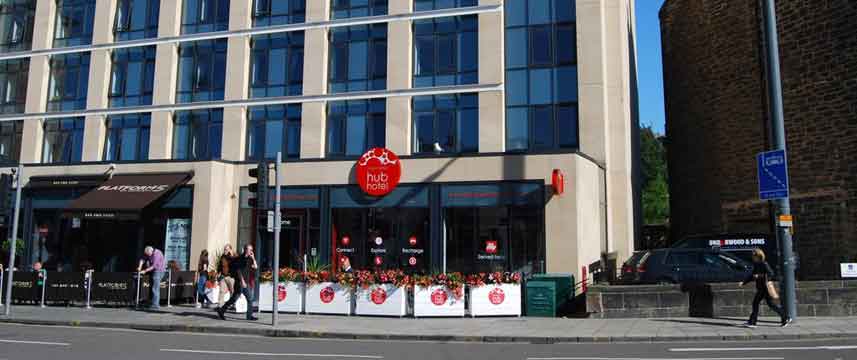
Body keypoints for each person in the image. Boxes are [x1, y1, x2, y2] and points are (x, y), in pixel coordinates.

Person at [741, 248, 792, 328]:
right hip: (761, 288)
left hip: (765, 288)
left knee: (759, 303)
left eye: (753, 256)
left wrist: (759, 276)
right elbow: (752, 276)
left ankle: (753, 322)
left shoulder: (764, 264)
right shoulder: (756, 264)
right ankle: (786, 318)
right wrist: (744, 282)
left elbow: (771, 274)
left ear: (758, 256)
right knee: (767, 304)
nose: (752, 257)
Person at [217, 244, 258, 321]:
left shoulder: (250, 259)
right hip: (240, 282)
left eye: (252, 250)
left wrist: (253, 258)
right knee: (236, 299)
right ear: (245, 250)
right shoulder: (240, 258)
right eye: (249, 249)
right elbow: (238, 271)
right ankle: (222, 311)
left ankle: (249, 316)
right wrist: (242, 281)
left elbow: (255, 267)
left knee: (247, 299)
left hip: (246, 282)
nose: (251, 251)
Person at [137, 246, 166, 311]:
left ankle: (155, 305)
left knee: (155, 288)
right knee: (153, 288)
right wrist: (139, 267)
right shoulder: (149, 252)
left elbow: (154, 266)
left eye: (149, 255)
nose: (148, 256)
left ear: (151, 251)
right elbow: (142, 259)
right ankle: (152, 303)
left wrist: (145, 271)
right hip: (153, 271)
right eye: (147, 255)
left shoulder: (157, 253)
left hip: (159, 271)